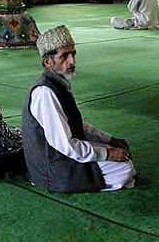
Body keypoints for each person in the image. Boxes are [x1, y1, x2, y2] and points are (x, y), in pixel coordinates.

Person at [22, 25, 135, 193]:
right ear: (48, 61)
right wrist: (107, 154)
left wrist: (109, 140)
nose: (72, 61)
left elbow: (77, 124)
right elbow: (65, 145)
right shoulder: (45, 93)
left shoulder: (58, 84)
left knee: (120, 155)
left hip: (60, 156)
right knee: (124, 169)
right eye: (64, 56)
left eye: (73, 54)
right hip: (52, 169)